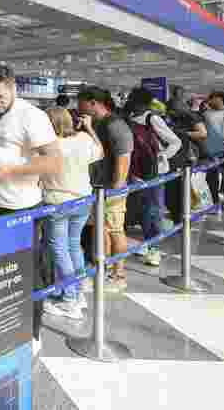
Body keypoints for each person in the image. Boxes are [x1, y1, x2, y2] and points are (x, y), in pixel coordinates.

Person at [0, 65, 61, 357]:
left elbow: (54, 162)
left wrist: (12, 171)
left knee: (26, 273)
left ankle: (32, 333)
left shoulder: (32, 116)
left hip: (18, 207)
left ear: (13, 88)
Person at [41, 108, 102, 321]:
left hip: (57, 201)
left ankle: (69, 300)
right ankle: (78, 293)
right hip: (83, 199)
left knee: (59, 249)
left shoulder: (49, 146)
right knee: (74, 245)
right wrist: (89, 128)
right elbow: (100, 152)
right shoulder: (84, 138)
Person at [77, 86, 133, 293]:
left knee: (115, 229)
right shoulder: (96, 123)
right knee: (102, 230)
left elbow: (123, 157)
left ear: (93, 103)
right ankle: (104, 268)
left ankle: (119, 274)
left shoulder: (115, 125)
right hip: (98, 188)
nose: (78, 106)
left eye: (81, 102)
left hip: (111, 189)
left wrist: (117, 187)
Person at [123, 88, 181, 267]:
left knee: (152, 211)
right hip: (134, 171)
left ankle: (154, 248)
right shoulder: (129, 118)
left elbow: (175, 141)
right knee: (138, 210)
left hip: (154, 173)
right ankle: (144, 244)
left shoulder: (153, 118)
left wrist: (162, 156)